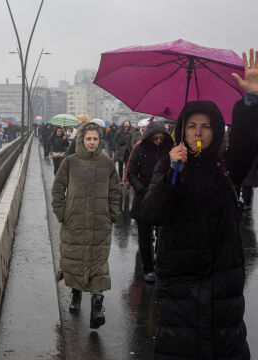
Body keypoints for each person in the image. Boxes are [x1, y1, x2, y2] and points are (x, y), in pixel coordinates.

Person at [140, 49, 258, 359]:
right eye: (192, 125)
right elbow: (151, 212)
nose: (198, 131)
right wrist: (172, 171)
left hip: (223, 284)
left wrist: (250, 103)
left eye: (206, 126)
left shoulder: (226, 167)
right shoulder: (168, 166)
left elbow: (246, 146)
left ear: (216, 131)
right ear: (181, 130)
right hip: (179, 284)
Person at [51, 121, 121, 329]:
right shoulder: (70, 162)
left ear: (100, 141)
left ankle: (97, 305)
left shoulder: (107, 163)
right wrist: (62, 214)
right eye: (88, 139)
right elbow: (58, 190)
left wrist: (112, 214)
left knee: (98, 261)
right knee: (75, 259)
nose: (92, 143)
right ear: (82, 140)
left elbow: (115, 190)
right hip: (75, 221)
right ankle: (76, 293)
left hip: (101, 223)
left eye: (95, 139)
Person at [126, 122, 172, 283]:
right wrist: (140, 189)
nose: (158, 141)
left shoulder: (169, 151)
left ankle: (160, 265)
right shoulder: (140, 149)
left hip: (163, 199)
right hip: (144, 199)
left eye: (161, 138)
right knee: (145, 239)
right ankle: (148, 268)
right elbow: (131, 172)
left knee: (163, 236)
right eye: (155, 138)